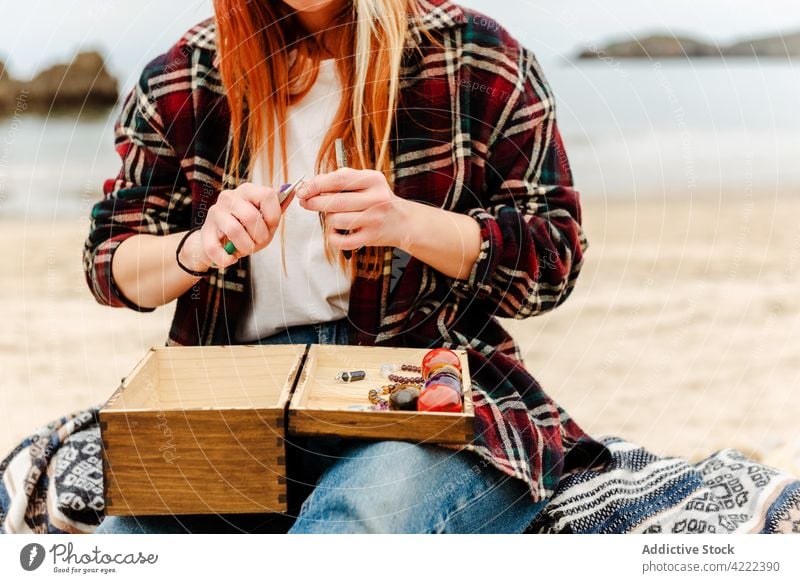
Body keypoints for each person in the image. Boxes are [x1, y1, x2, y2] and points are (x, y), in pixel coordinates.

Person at [85, 0, 609, 534]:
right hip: (240, 408)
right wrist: (196, 248)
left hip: (427, 397)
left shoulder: (475, 53)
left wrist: (407, 223)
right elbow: (109, 262)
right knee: (124, 543)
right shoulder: (185, 75)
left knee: (348, 526)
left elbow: (553, 260)